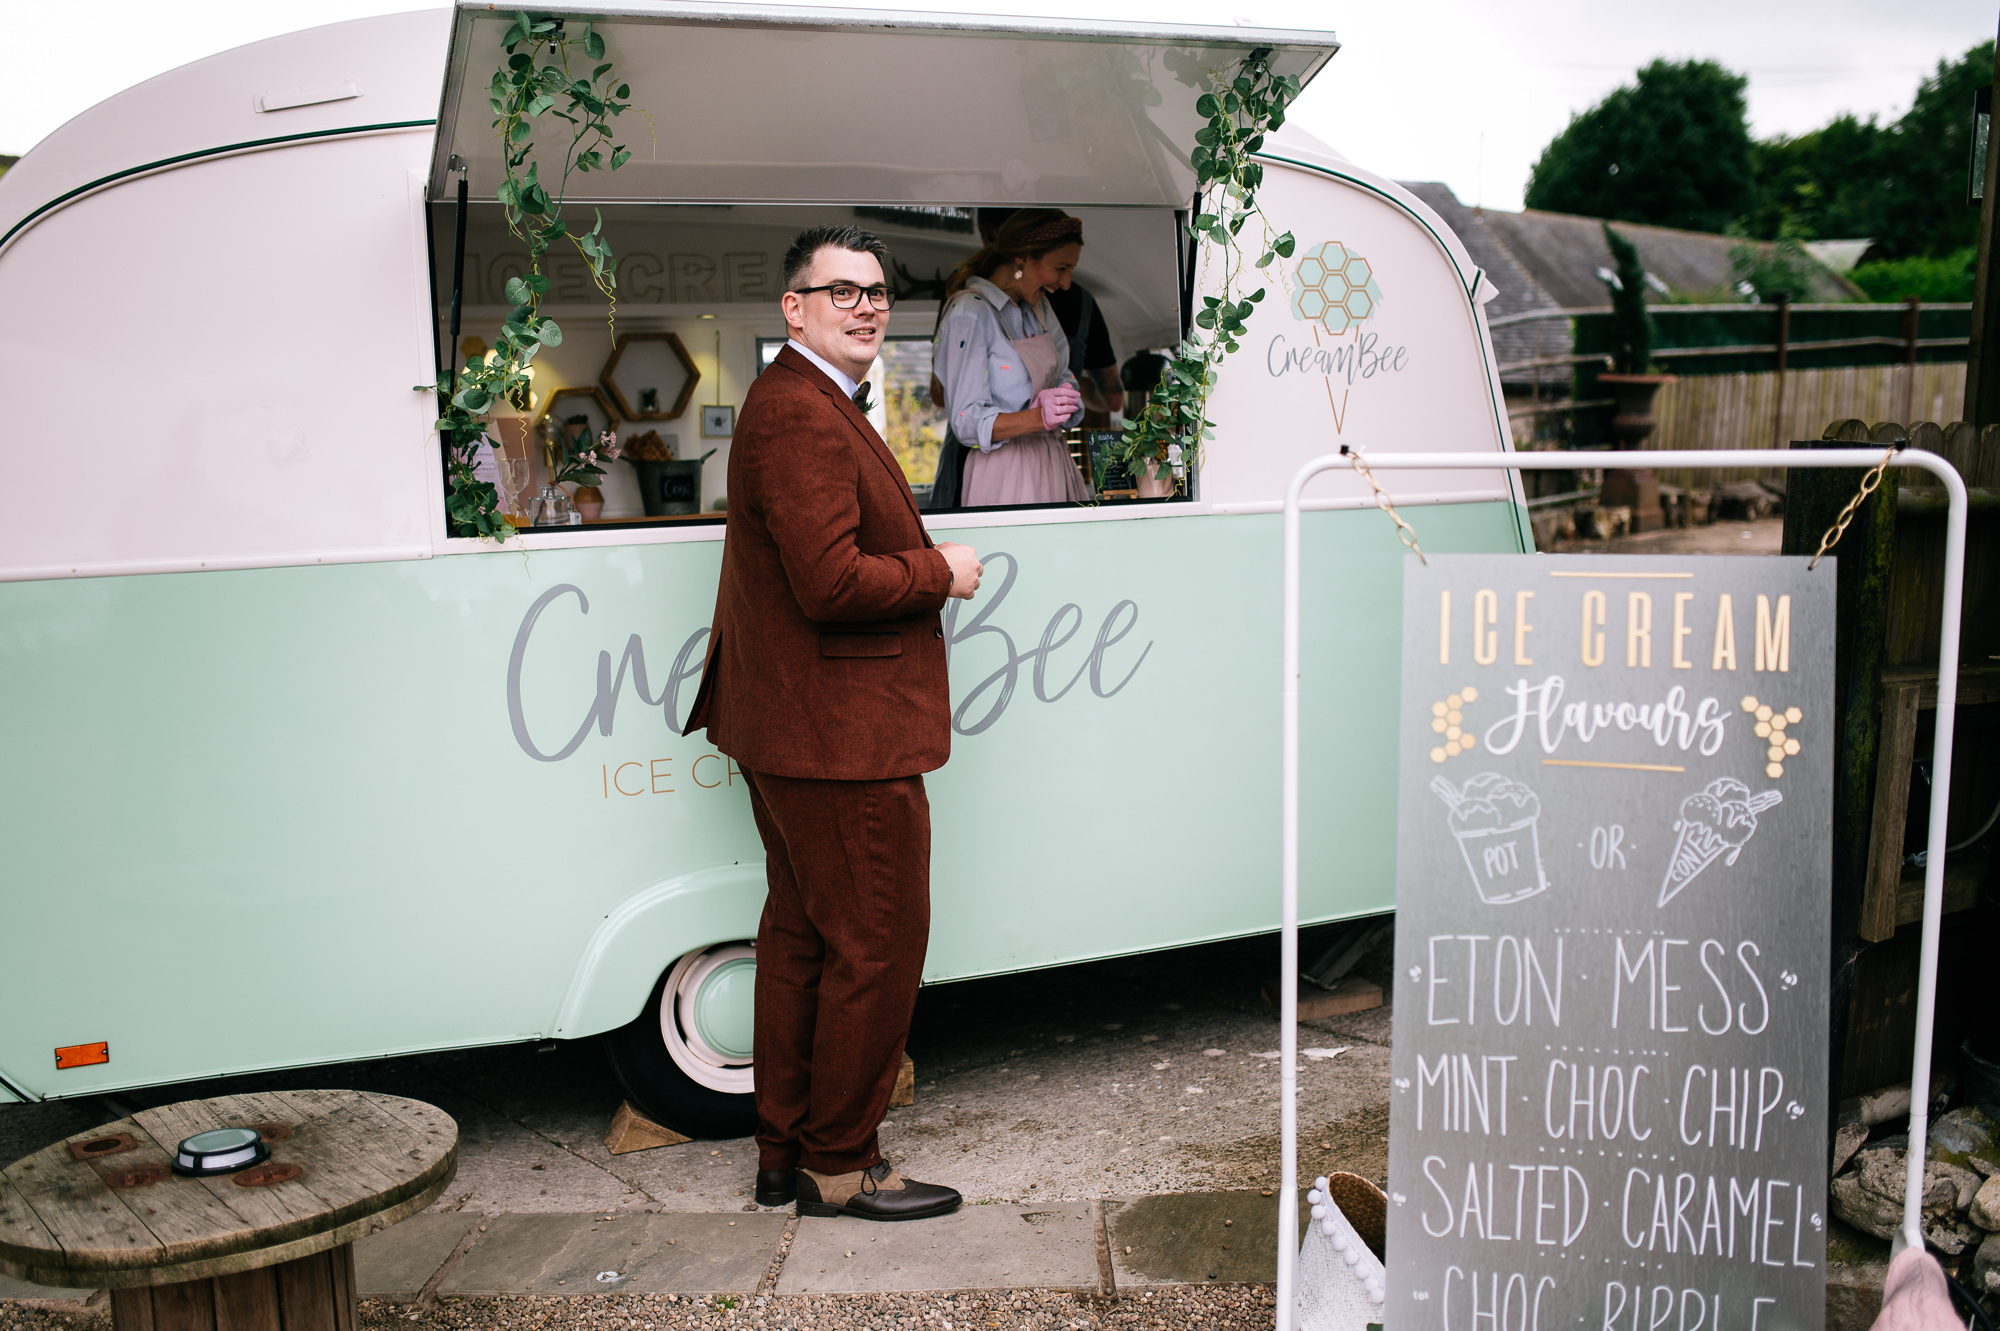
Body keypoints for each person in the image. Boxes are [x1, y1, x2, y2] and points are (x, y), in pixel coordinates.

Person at [683, 225, 983, 1221]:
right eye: (842, 290)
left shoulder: (796, 404)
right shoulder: (802, 413)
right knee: (878, 938)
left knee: (806, 935)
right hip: (838, 735)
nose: (866, 305)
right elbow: (831, 581)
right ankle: (839, 1162)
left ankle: (786, 1153)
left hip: (799, 726)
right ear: (794, 308)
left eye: (878, 293)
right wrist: (940, 571)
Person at [929, 209, 1090, 508]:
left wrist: (1067, 397)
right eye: (1061, 268)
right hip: (1005, 472)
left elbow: (1063, 375)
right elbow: (965, 423)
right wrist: (1038, 417)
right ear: (1024, 259)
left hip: (1055, 460)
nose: (1066, 283)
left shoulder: (1039, 309)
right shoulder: (969, 312)